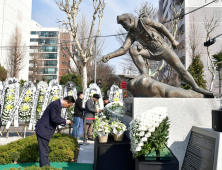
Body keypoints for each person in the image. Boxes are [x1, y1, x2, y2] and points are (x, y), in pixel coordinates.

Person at [98, 13, 213, 96]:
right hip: (151, 53)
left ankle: (196, 87)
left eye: (124, 24)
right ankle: (144, 73)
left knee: (181, 69)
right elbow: (123, 49)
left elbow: (161, 27)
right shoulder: (132, 34)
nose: (123, 27)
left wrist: (172, 40)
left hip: (164, 50)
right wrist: (109, 56)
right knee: (133, 49)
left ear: (129, 19)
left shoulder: (144, 21)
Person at [35, 96, 75, 167]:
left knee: (44, 150)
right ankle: (46, 168)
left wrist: (63, 121)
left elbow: (56, 118)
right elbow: (54, 118)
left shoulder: (57, 105)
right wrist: (65, 121)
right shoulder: (55, 105)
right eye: (68, 105)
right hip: (43, 130)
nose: (67, 107)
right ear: (66, 101)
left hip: (45, 130)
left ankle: (45, 167)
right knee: (44, 151)